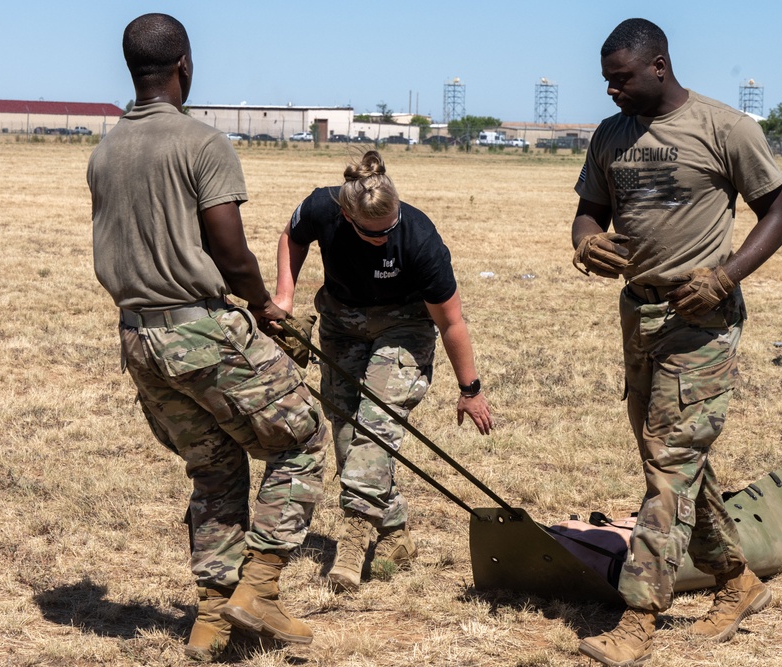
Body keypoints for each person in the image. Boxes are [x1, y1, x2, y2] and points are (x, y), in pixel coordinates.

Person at [87, 13, 326, 660]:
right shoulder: (202, 143)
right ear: (184, 65)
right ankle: (261, 587)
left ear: (132, 68)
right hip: (196, 328)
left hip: (138, 339)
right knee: (302, 436)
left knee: (215, 466)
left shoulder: (106, 151)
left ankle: (213, 620)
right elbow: (230, 249)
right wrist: (265, 310)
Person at [570, 18, 782, 666]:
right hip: (639, 318)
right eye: (607, 81)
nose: (611, 91)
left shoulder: (726, 128)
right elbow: (590, 207)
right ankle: (735, 580)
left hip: (703, 322)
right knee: (672, 461)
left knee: (670, 465)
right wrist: (585, 239)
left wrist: (725, 275)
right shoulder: (612, 136)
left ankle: (639, 615)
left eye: (622, 79)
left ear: (659, 66)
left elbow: (778, 212)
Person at [274, 150, 493, 593]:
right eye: (369, 233)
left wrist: (470, 388)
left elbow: (451, 322)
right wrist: (284, 295)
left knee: (377, 425)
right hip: (342, 322)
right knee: (344, 430)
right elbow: (292, 236)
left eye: (387, 229)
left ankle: (354, 539)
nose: (382, 238)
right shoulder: (323, 205)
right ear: (346, 214)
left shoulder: (420, 239)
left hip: (406, 326)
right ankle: (394, 533)